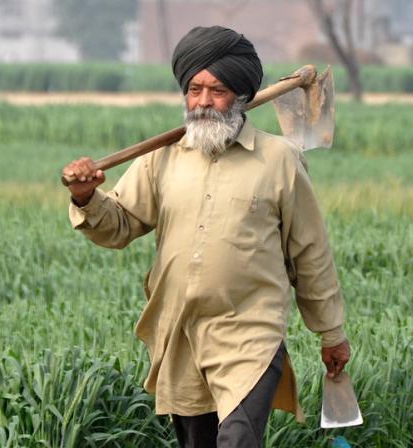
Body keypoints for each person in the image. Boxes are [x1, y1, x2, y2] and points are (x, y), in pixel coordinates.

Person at [62, 25, 351, 448]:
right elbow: (119, 224)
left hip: (250, 336)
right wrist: (87, 196)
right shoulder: (161, 158)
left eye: (216, 91)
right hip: (181, 334)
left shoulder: (279, 161)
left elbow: (311, 253)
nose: (202, 102)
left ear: (241, 94)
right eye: (194, 89)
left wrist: (331, 332)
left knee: (236, 441)